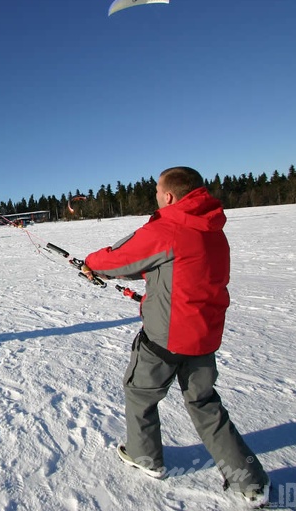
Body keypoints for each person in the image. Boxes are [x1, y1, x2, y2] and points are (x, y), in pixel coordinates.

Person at [80, 167, 270, 507]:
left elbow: (118, 258)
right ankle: (250, 482)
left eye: (156, 190)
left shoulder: (167, 227)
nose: (155, 195)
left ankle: (144, 457)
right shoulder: (212, 228)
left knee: (139, 394)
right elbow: (167, 263)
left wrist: (92, 264)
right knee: (204, 404)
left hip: (165, 339)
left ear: (168, 196)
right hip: (204, 337)